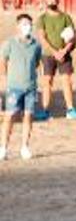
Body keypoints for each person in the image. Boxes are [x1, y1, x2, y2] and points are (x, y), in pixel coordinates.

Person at [35, 0, 76, 120]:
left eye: (54, 0)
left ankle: (70, 110)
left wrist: (64, 51)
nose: (51, 2)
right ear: (46, 2)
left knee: (67, 80)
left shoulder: (65, 18)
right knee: (47, 81)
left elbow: (72, 37)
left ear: (58, 1)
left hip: (64, 55)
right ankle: (45, 110)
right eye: (49, 0)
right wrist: (54, 52)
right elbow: (42, 38)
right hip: (48, 55)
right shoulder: (42, 19)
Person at [1, 14, 42, 160]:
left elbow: (36, 63)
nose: (28, 27)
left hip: (30, 87)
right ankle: (3, 148)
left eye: (30, 24)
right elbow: (3, 61)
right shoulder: (9, 43)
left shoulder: (36, 45)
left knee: (28, 116)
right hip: (14, 87)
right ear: (17, 26)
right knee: (9, 116)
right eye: (24, 24)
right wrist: (7, 77)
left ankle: (24, 147)